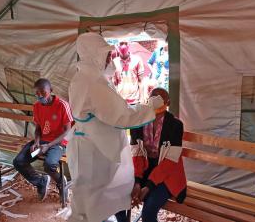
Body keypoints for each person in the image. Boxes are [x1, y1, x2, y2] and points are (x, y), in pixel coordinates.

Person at [67, 32, 164, 222]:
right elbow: (123, 115)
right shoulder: (94, 83)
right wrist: (153, 106)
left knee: (87, 198)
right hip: (95, 148)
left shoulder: (81, 78)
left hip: (87, 143)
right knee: (92, 199)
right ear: (93, 55)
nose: (110, 57)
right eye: (105, 53)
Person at [127, 88, 186, 222]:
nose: (156, 97)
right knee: (120, 196)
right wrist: (137, 182)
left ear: (168, 102)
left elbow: (170, 162)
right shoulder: (138, 124)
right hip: (145, 169)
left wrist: (148, 187)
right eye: (153, 95)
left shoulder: (175, 125)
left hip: (168, 174)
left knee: (149, 210)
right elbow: (136, 154)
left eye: (161, 96)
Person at [13, 78, 73, 201]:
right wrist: (36, 142)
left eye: (43, 93)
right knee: (18, 161)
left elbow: (68, 131)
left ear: (50, 91)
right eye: (37, 94)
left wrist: (49, 145)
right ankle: (41, 181)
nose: (40, 96)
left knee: (49, 164)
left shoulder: (62, 105)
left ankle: (61, 183)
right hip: (42, 142)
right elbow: (38, 128)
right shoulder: (36, 106)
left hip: (59, 143)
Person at [112, 40, 145, 104]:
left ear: (129, 45)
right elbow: (114, 83)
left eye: (126, 43)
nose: (123, 46)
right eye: (121, 43)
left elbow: (141, 81)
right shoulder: (114, 62)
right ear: (117, 46)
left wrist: (142, 98)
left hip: (135, 100)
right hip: (120, 100)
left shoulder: (137, 60)